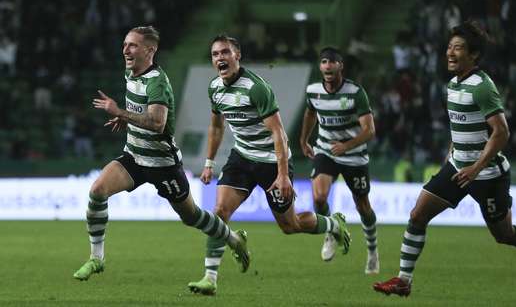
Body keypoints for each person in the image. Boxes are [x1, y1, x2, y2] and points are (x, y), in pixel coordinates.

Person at [373, 21, 516, 297]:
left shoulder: (482, 86)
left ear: (473, 55)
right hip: (458, 168)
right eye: (449, 47)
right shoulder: (452, 84)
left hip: (488, 175)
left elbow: (501, 132)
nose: (450, 52)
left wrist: (476, 167)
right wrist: (453, 152)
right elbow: (461, 125)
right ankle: (404, 280)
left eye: (458, 48)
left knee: (504, 234)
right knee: (417, 215)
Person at [72, 26, 249, 282]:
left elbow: (157, 122)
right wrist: (126, 120)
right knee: (97, 191)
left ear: (150, 50)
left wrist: (120, 112)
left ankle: (234, 239)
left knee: (192, 217)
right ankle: (96, 258)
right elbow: (139, 108)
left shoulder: (157, 82)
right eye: (125, 44)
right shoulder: (130, 72)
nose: (125, 50)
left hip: (163, 164)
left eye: (132, 45)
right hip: (134, 156)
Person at [187, 34, 351, 296]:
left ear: (237, 56)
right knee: (219, 211)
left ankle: (333, 224)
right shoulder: (214, 88)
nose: (220, 58)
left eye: (225, 52)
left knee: (291, 225)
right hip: (241, 157)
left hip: (272, 162)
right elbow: (216, 127)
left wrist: (284, 176)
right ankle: (210, 278)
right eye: (215, 54)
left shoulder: (256, 88)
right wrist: (208, 162)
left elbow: (279, 134)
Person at [299, 47, 379, 274]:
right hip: (326, 150)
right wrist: (304, 139)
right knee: (319, 197)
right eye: (324, 62)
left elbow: (369, 130)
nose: (328, 66)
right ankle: (332, 230)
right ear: (320, 67)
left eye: (332, 62)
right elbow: (310, 113)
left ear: (340, 66)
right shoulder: (313, 91)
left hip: (354, 156)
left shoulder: (355, 92)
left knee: (363, 207)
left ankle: (372, 251)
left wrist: (346, 146)